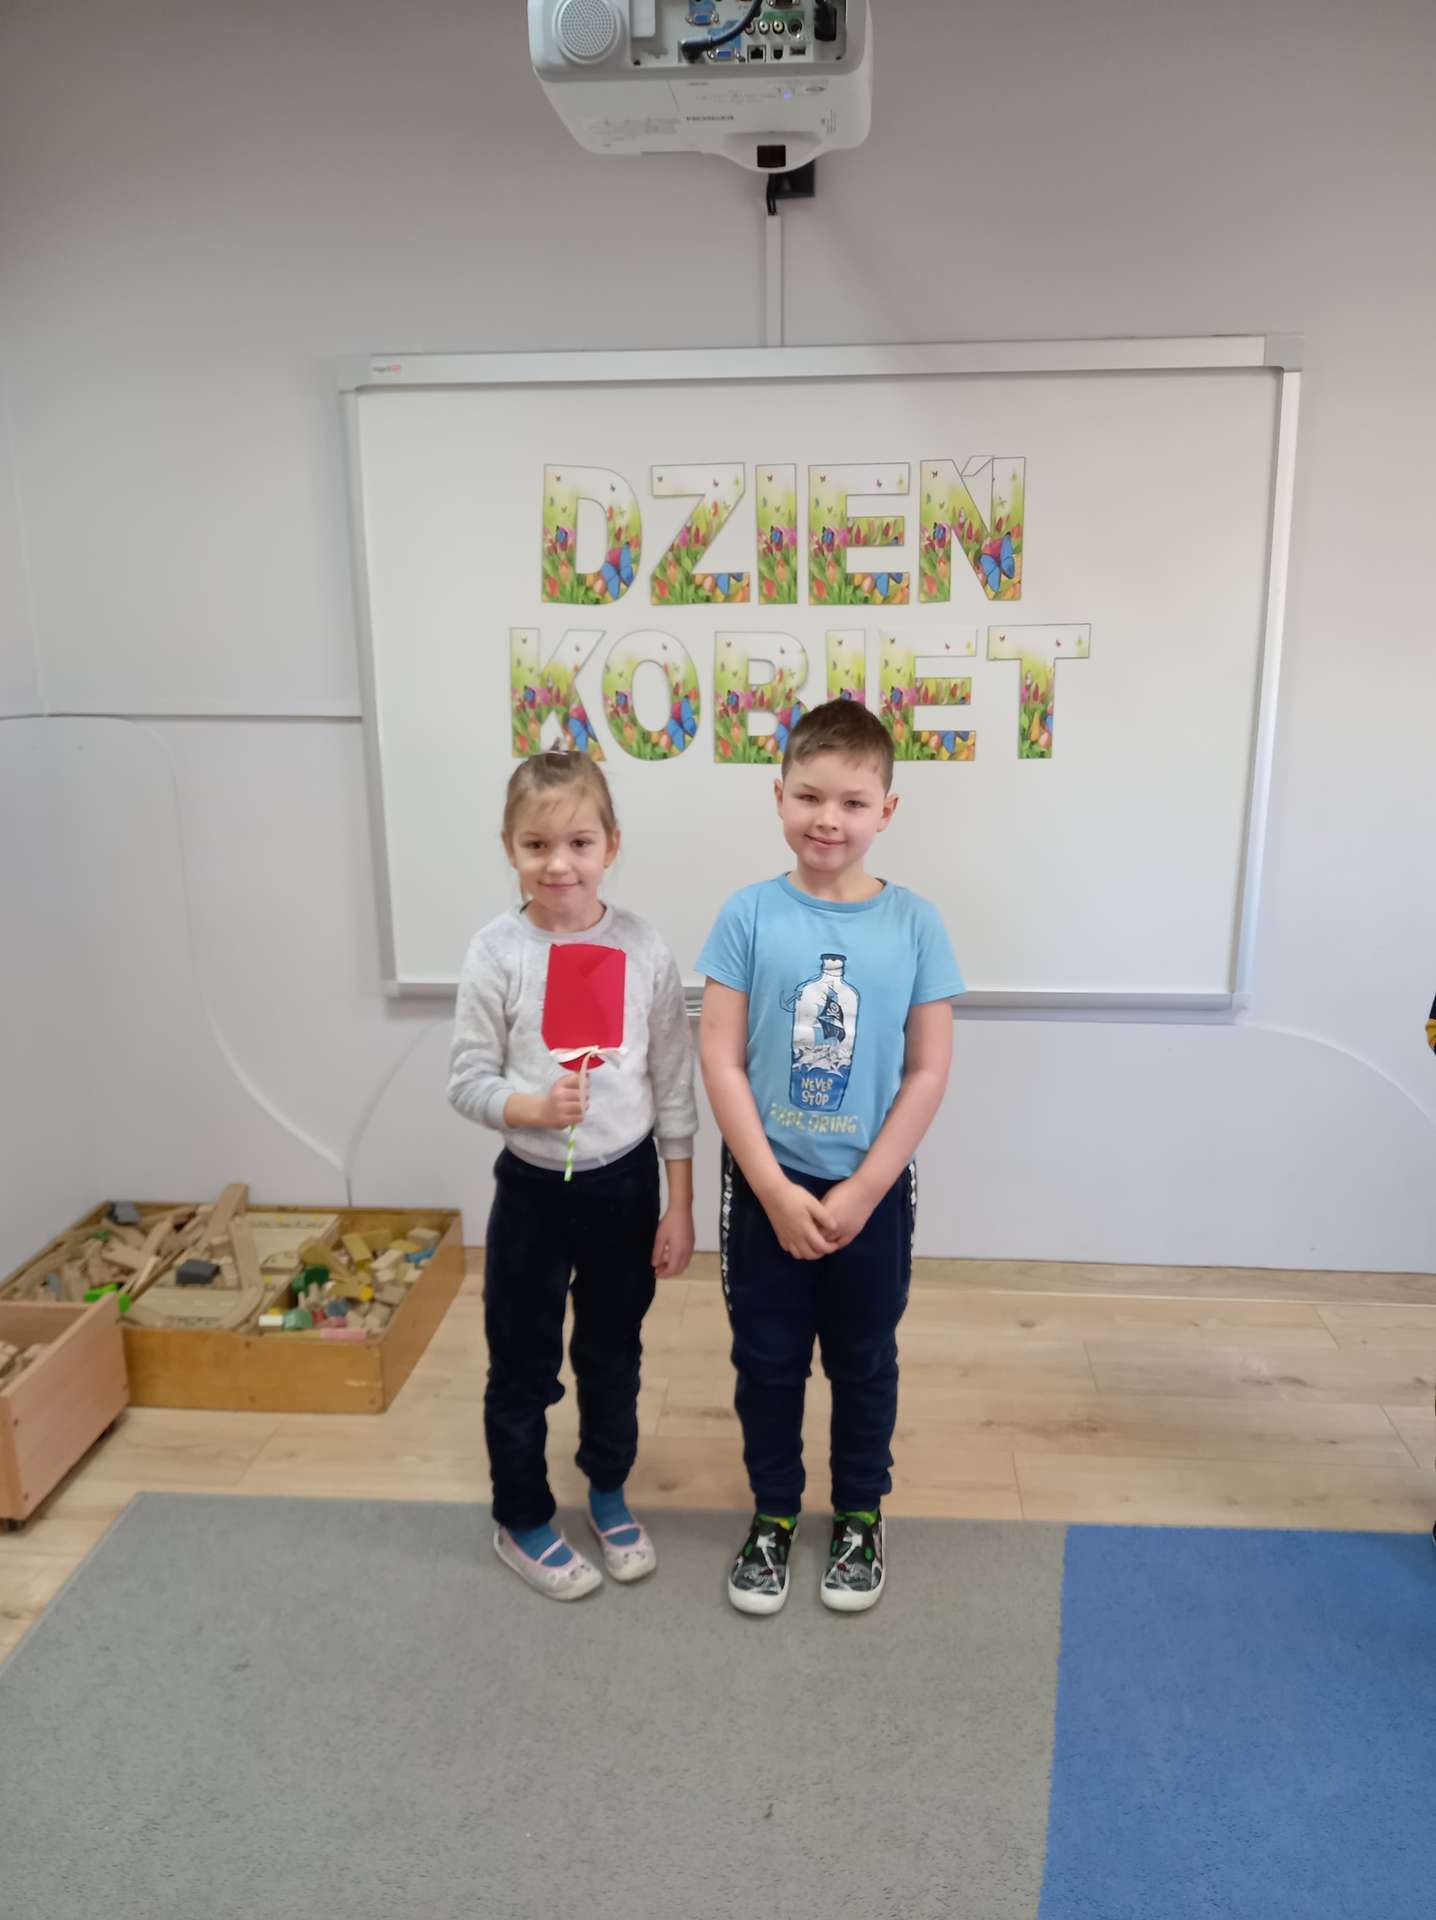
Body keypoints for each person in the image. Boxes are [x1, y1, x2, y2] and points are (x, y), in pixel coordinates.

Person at [697, 700, 963, 1614]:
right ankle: (774, 1512)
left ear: (887, 809)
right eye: (809, 796)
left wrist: (864, 1190)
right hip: (764, 1183)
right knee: (767, 1360)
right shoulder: (748, 915)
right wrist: (773, 1189)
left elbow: (928, 1071)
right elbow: (720, 1059)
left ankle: (858, 1513)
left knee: (864, 1357)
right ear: (777, 796)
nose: (828, 818)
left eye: (852, 802)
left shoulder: (916, 924)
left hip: (870, 1191)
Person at [449, 751, 696, 1599]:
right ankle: (521, 1516)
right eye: (537, 845)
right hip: (531, 1191)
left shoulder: (642, 948)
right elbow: (466, 1080)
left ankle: (608, 1489)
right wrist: (530, 1107)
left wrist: (678, 1203)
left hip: (624, 1188)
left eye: (580, 843)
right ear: (509, 848)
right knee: (522, 1360)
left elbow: (673, 1082)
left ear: (611, 846)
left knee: (612, 1351)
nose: (559, 864)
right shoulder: (497, 952)